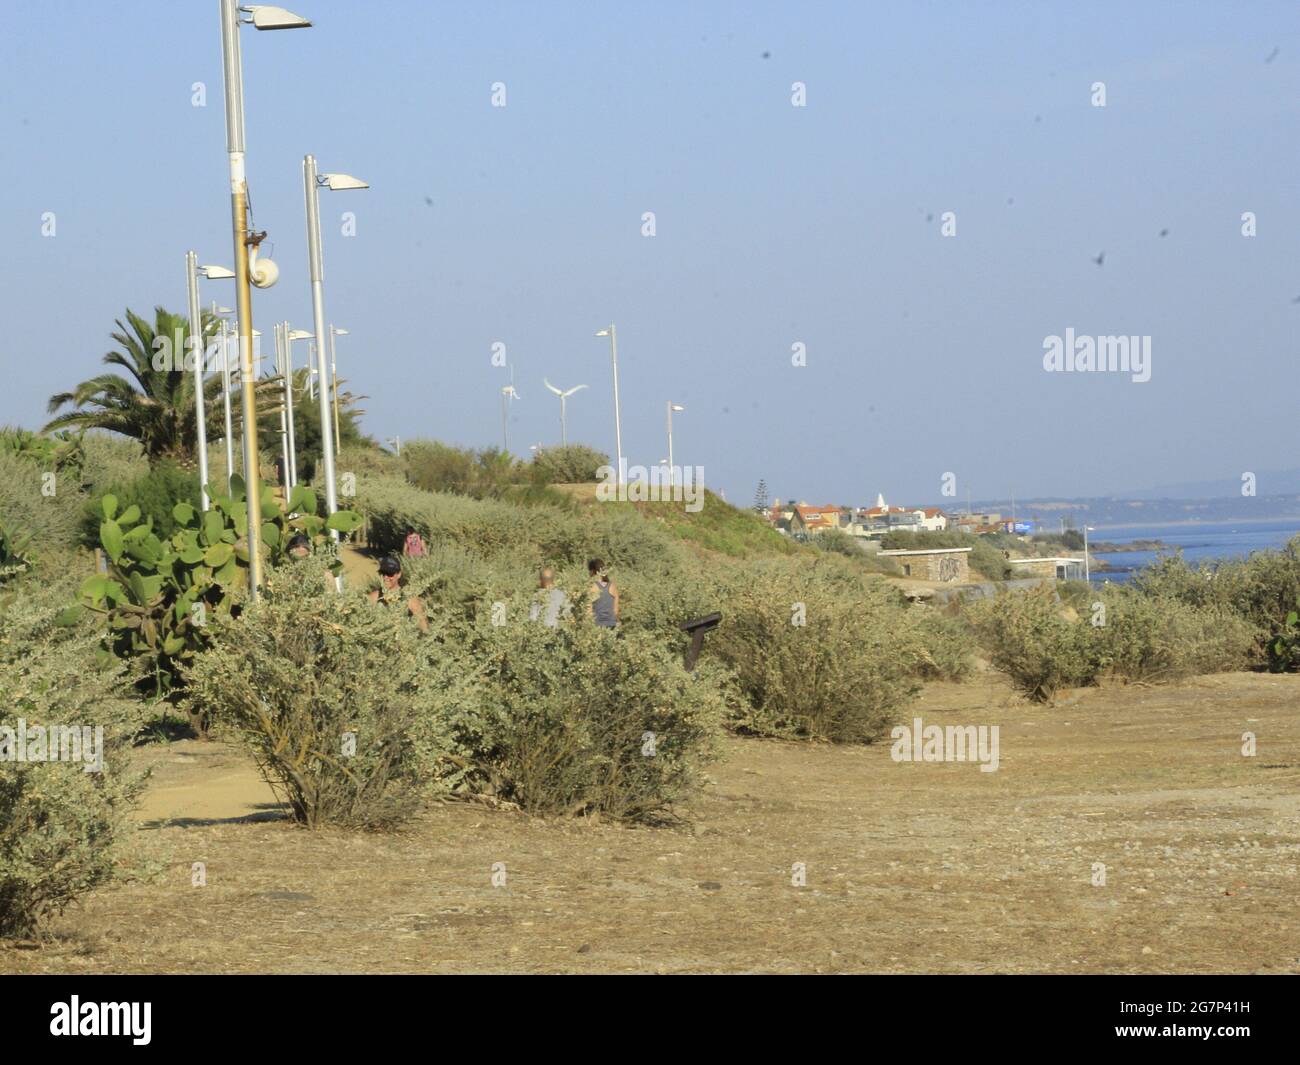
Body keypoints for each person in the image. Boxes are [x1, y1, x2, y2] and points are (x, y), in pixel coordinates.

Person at [368, 554, 429, 632]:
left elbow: (425, 628)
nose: (385, 577)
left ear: (399, 574)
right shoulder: (373, 597)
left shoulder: (410, 599)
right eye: (382, 573)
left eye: (390, 574)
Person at [587, 558, 619, 629]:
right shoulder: (612, 586)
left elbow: (588, 610)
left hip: (597, 626)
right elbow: (616, 611)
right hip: (612, 625)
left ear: (592, 571)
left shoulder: (591, 587)